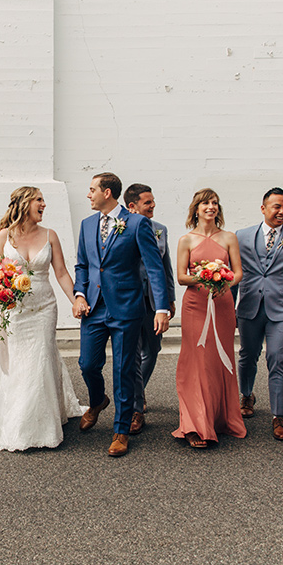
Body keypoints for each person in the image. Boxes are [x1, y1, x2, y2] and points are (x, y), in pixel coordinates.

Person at [0, 187, 85, 451]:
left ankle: (42, 421)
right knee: (20, 363)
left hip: (44, 308)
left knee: (41, 358)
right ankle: (18, 421)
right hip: (14, 311)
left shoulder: (50, 236)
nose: (44, 205)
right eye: (39, 200)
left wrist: (76, 299)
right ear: (25, 203)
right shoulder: (3, 236)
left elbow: (61, 273)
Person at [73, 173, 170, 457]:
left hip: (127, 306)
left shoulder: (138, 223)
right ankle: (97, 400)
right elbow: (82, 265)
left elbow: (154, 268)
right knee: (87, 364)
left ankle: (121, 430)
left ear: (106, 192)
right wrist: (80, 294)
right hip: (94, 307)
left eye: (92, 190)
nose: (88, 195)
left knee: (124, 369)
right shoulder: (87, 224)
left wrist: (162, 308)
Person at [172, 188, 247, 448]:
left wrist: (225, 281)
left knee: (218, 360)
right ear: (196, 209)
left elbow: (238, 272)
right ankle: (195, 424)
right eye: (205, 203)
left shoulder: (229, 237)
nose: (211, 206)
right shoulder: (186, 240)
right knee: (196, 362)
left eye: (214, 202)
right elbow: (181, 277)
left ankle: (219, 417)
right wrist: (205, 276)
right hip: (195, 305)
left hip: (222, 303)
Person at [234, 187, 283, 441]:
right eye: (277, 206)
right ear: (263, 208)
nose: (282, 211)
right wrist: (229, 310)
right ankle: (246, 395)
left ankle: (278, 416)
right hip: (249, 307)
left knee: (278, 358)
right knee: (247, 355)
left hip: (282, 311)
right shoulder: (242, 236)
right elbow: (234, 275)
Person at [123, 183, 176, 435]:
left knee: (152, 349)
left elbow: (165, 267)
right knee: (132, 353)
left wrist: (168, 300)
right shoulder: (119, 228)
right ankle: (136, 407)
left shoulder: (160, 230)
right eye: (148, 202)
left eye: (153, 201)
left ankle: (138, 391)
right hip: (129, 301)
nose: (153, 205)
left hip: (154, 301)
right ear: (132, 206)